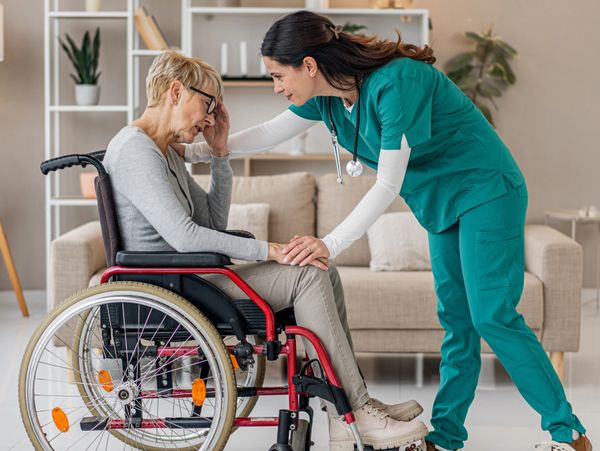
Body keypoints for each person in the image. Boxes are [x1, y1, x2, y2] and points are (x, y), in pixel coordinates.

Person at [180, 11, 593, 451]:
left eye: (279, 76)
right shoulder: (328, 98)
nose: (277, 87)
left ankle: (568, 434)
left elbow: (388, 183)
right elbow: (269, 132)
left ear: (309, 65)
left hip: (486, 190)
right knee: (456, 321)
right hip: (440, 202)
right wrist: (190, 149)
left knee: (492, 314)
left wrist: (330, 243)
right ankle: (447, 438)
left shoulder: (397, 83)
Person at [103, 50, 428, 451]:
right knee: (307, 274)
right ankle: (353, 413)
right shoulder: (136, 149)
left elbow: (211, 224)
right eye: (207, 104)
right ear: (175, 91)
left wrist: (220, 154)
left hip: (192, 277)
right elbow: (187, 238)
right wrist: (268, 250)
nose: (208, 118)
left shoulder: (163, 151)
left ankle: (355, 403)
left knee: (319, 267)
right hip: (172, 286)